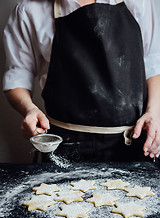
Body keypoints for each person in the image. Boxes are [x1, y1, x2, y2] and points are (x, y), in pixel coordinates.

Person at [3, 0, 160, 162]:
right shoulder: (29, 10)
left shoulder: (138, 2)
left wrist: (154, 113)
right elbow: (18, 74)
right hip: (63, 147)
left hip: (132, 142)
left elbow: (154, 63)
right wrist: (29, 109)